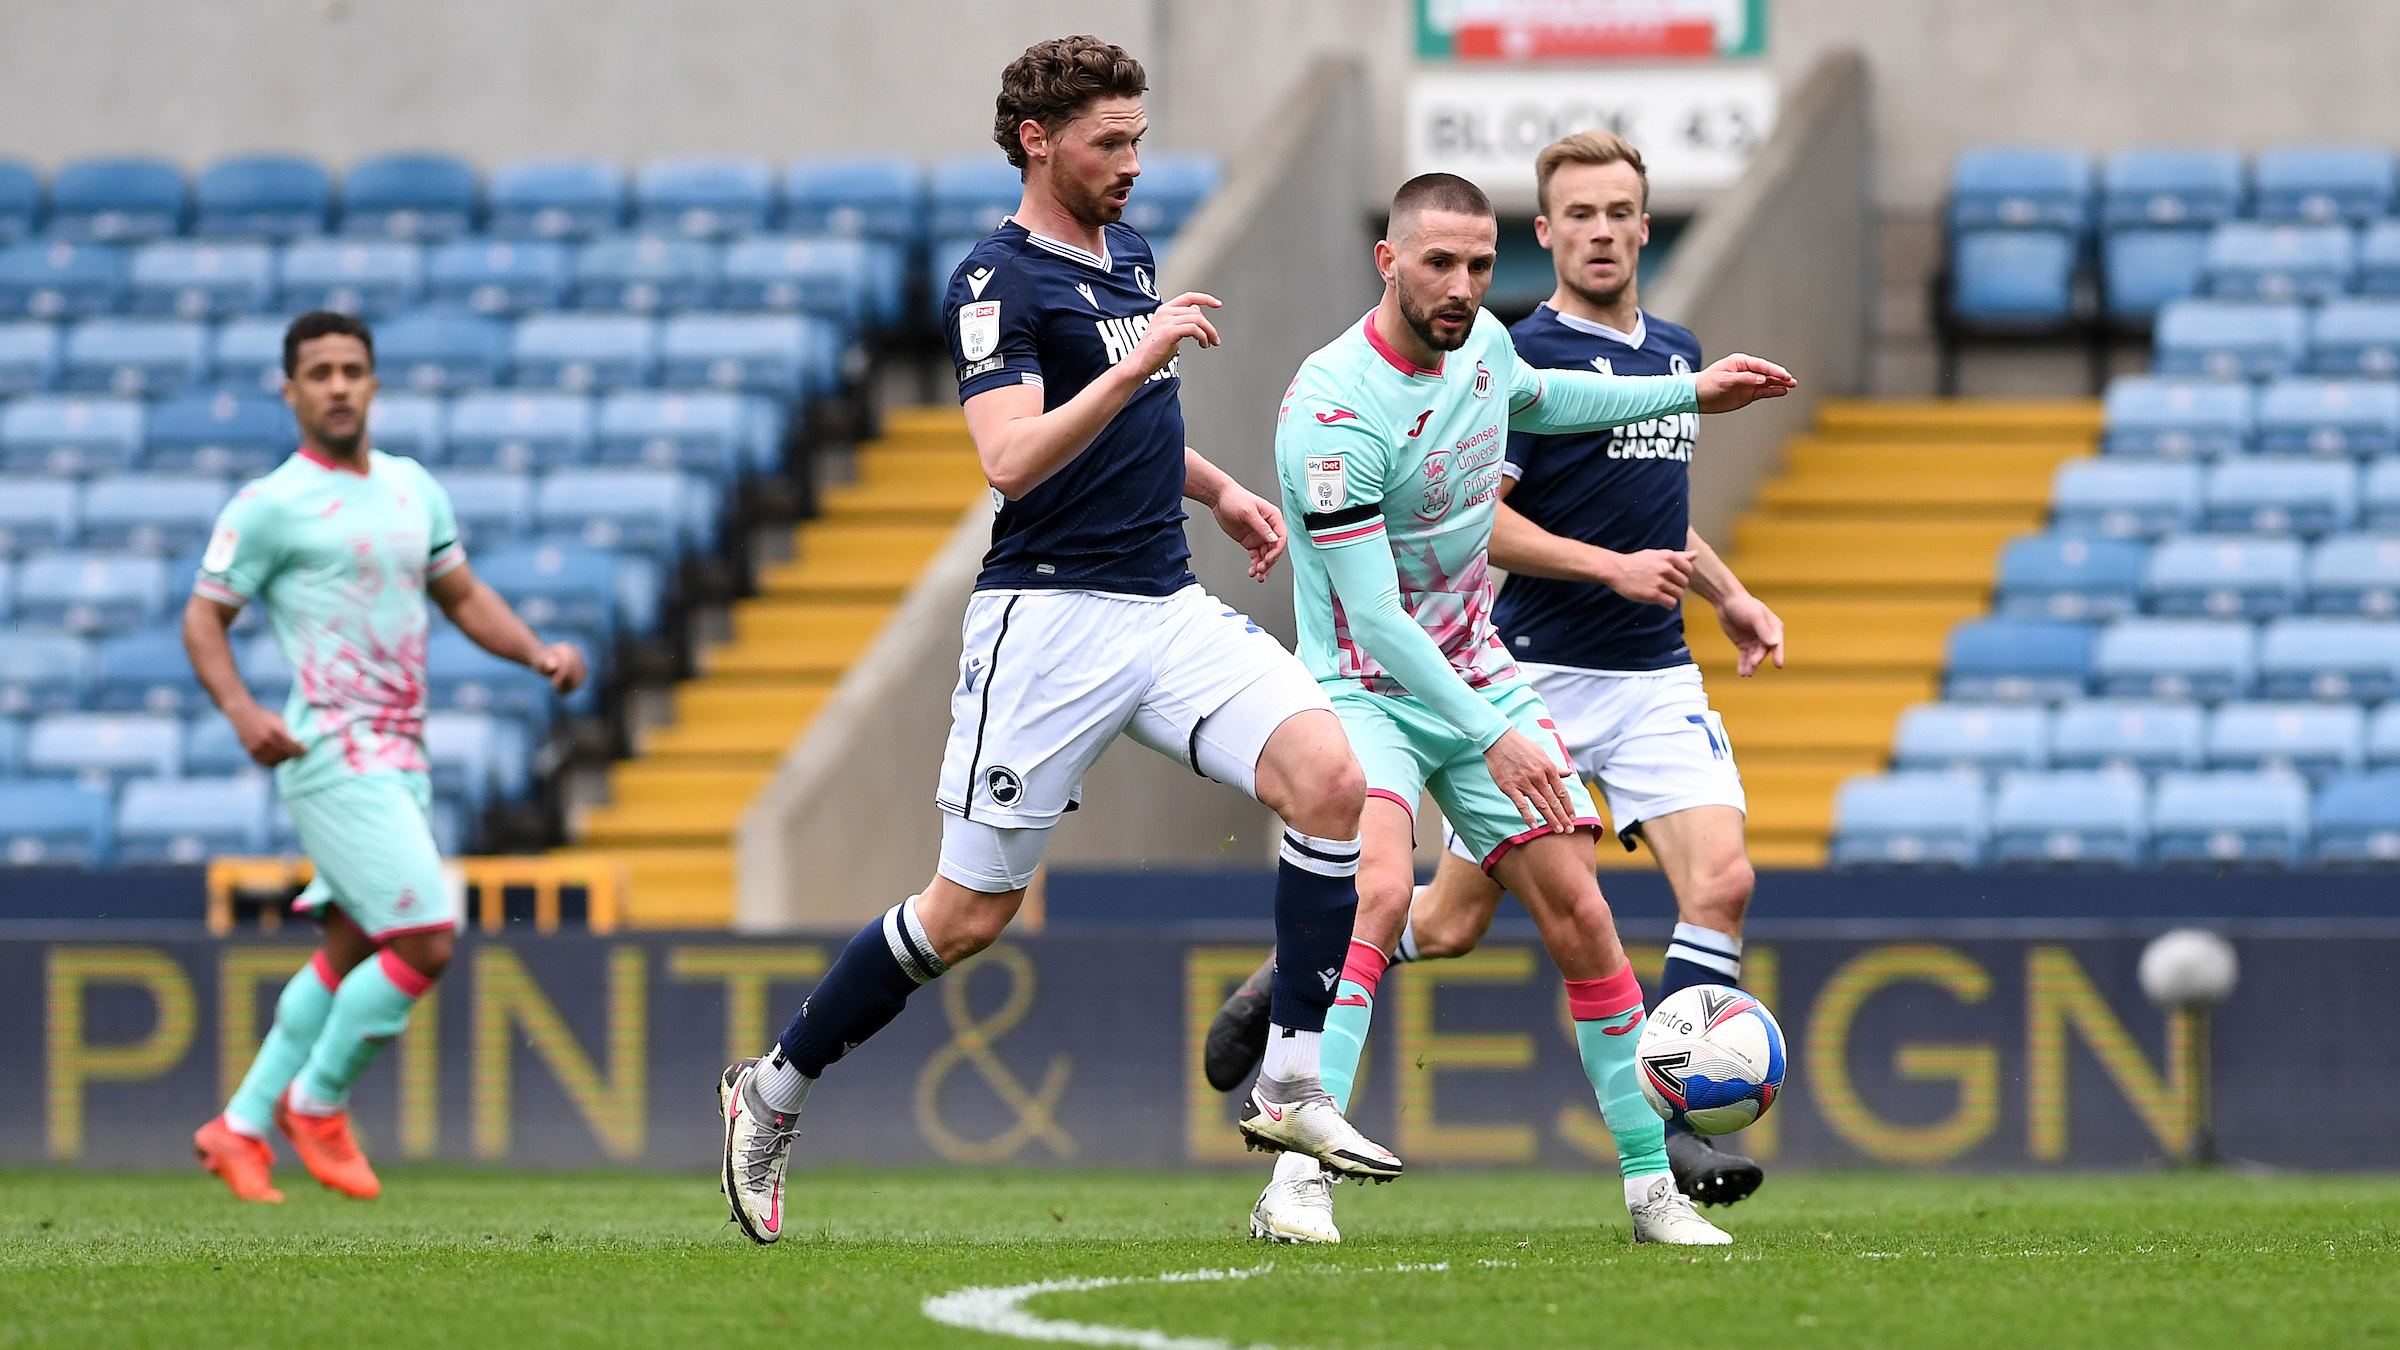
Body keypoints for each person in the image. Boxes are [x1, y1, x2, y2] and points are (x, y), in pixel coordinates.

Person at [715, 35, 1395, 1247]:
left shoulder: (1125, 250)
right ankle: (772, 1090)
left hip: (1166, 604)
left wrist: (1221, 489)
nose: (1134, 162)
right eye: (1110, 142)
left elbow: (1131, 427)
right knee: (966, 916)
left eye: (1139, 137)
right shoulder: (995, 281)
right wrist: (1141, 360)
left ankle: (1291, 1087)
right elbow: (1013, 459)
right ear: (1039, 141)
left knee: (1332, 784)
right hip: (1047, 624)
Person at [1209, 132, 1790, 1210]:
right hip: (1365, 687)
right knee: (1380, 892)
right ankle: (1297, 1179)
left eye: (1478, 268)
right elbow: (1375, 621)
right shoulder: (1331, 407)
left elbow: (1545, 398)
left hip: (1484, 669)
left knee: (1582, 918)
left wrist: (1689, 394)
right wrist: (1492, 730)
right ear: (1387, 260)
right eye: (1440, 264)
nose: (1464, 287)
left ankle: (1655, 1192)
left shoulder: (1487, 348)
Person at [189, 311, 587, 1203]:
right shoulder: (269, 504)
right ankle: (316, 1104)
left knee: (349, 943)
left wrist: (535, 653)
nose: (338, 385)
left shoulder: (413, 488)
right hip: (330, 751)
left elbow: (462, 594)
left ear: (373, 383)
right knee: (427, 937)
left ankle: (240, 1125)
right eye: (319, 372)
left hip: (401, 752)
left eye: (352, 369)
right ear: (289, 391)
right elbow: (203, 616)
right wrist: (242, 710)